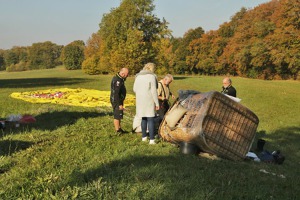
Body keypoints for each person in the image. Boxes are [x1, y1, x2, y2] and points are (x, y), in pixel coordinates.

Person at [133, 63, 159, 144]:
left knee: (143, 118)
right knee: (150, 119)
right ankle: (151, 140)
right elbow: (154, 91)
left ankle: (144, 137)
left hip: (140, 100)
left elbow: (134, 89)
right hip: (149, 100)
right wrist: (157, 103)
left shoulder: (138, 76)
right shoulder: (152, 76)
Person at [110, 67, 129, 134]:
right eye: (127, 74)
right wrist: (119, 104)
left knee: (119, 115)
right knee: (117, 116)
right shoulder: (117, 80)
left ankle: (119, 128)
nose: (128, 75)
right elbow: (116, 94)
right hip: (116, 101)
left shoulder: (120, 79)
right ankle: (117, 131)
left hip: (119, 100)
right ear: (123, 73)